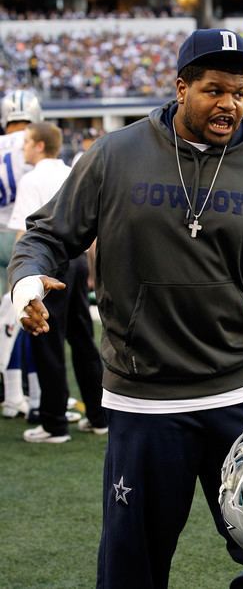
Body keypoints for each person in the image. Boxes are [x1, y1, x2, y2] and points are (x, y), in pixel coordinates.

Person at [8, 29, 243, 588]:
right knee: (130, 566)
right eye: (215, 90)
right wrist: (26, 285)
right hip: (145, 398)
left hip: (239, 393)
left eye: (240, 92)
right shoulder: (116, 154)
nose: (230, 104)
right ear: (181, 86)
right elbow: (45, 234)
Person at [8, 121, 107, 443]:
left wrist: (21, 278)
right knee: (82, 339)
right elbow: (90, 231)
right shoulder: (70, 172)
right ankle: (97, 415)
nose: (23, 149)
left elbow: (28, 236)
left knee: (47, 342)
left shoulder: (32, 179)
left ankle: (54, 424)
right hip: (77, 261)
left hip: (47, 268)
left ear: (39, 146)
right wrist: (91, 270)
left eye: (27, 143)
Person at [0, 89, 42, 420]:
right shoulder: (33, 142)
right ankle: (28, 393)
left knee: (5, 320)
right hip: (24, 238)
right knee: (24, 314)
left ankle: (13, 393)